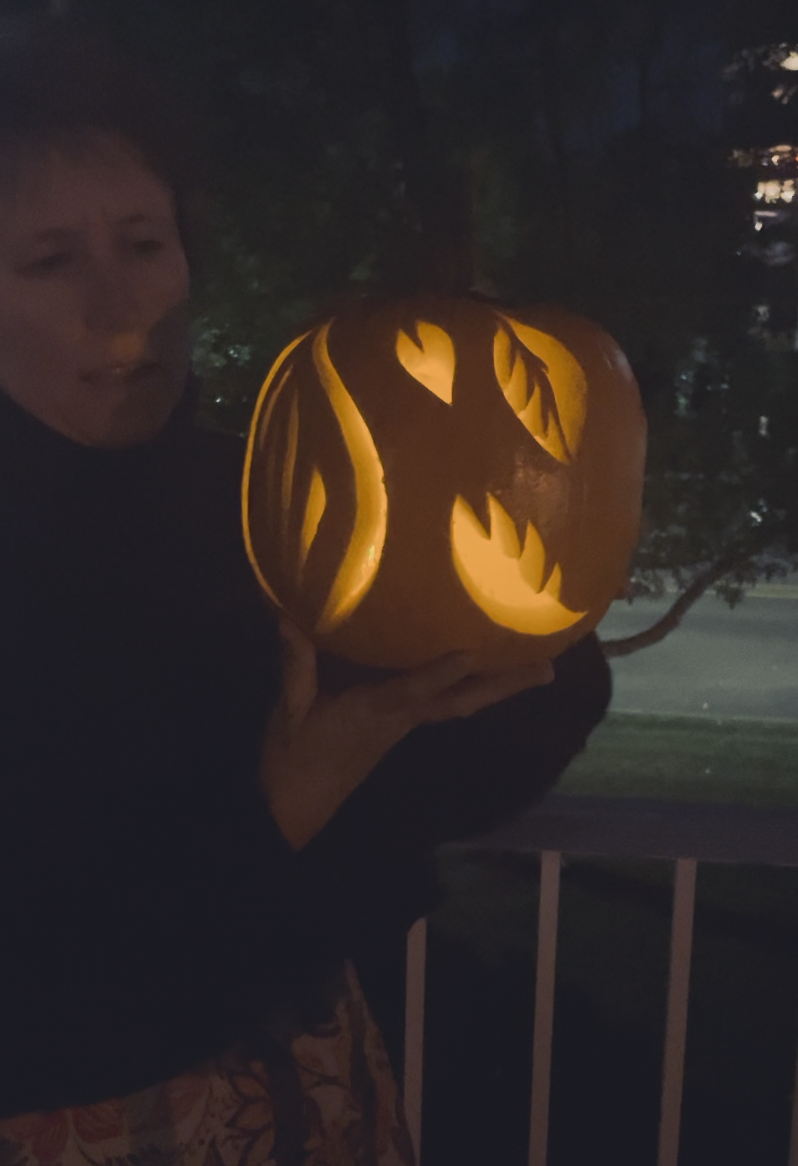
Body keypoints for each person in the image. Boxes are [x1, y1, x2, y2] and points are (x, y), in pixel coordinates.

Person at [0, 18, 612, 1166]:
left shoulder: (271, 497)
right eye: (48, 260)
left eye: (145, 240)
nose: (123, 303)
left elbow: (465, 749)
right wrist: (289, 807)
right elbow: (44, 1002)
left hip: (323, 1108)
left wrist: (537, 603)